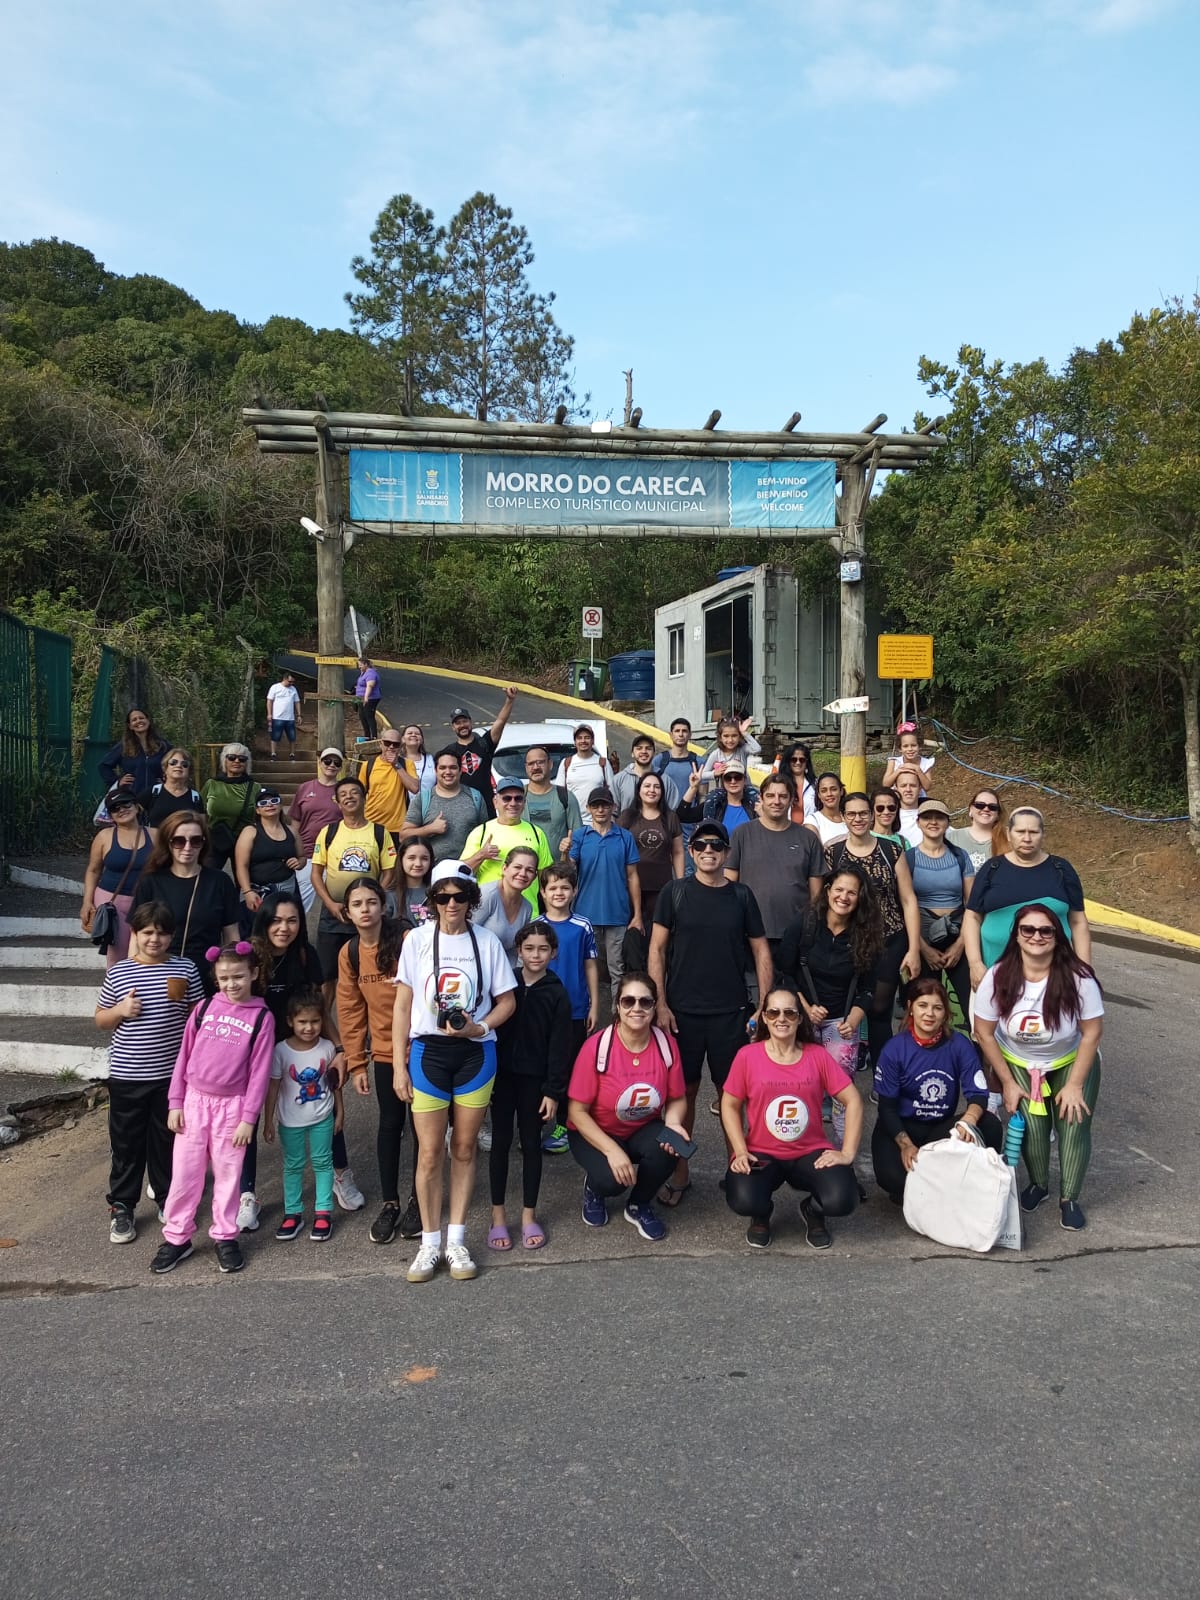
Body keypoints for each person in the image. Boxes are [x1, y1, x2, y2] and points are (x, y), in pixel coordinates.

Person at [392, 861, 518, 1282]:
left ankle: (456, 1239)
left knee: (463, 1148)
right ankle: (429, 1243)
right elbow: (402, 1005)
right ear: (431, 900)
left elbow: (507, 1001)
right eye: (442, 896)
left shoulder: (486, 941)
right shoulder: (415, 940)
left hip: (475, 1054)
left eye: (460, 896)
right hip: (428, 1052)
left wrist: (479, 1027)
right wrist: (398, 1066)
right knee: (429, 1152)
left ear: (471, 899)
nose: (451, 904)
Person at [649, 819, 773, 1204]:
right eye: (701, 845)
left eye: (716, 845)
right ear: (691, 851)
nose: (708, 851)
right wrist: (660, 1004)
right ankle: (680, 1173)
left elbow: (761, 950)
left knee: (730, 1095)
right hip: (682, 1012)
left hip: (731, 1011)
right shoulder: (674, 892)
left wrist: (764, 1006)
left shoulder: (742, 895)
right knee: (682, 1094)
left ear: (726, 852)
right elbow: (656, 950)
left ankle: (737, 1168)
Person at [973, 906, 1104, 1230]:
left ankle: (1069, 1198)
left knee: (1072, 1124)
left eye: (1046, 930)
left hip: (1070, 1060)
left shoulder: (1079, 978)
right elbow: (984, 1033)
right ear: (1016, 935)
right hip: (1019, 1062)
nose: (1036, 936)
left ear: (1058, 937)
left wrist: (1074, 1085)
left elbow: (1091, 1033)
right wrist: (1006, 1082)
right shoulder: (997, 976)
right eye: (1028, 930)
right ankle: (1039, 1184)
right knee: (1032, 1128)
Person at [151, 941, 273, 1275]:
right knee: (185, 1174)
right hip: (194, 1103)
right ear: (215, 977)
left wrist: (249, 1118)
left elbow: (260, 1072)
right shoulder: (203, 1008)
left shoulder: (262, 1017)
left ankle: (225, 1236)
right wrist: (175, 1102)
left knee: (228, 1176)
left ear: (254, 974)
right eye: (224, 977)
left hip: (232, 1108)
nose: (232, 984)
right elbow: (183, 1057)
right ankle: (177, 1237)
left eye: (238, 976)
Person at [94, 901, 205, 1244]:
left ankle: (168, 1198)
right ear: (135, 934)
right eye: (147, 932)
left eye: (161, 932)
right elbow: (100, 1019)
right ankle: (122, 1206)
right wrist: (120, 1010)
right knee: (126, 1145)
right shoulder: (120, 972)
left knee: (167, 1142)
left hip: (171, 1078)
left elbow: (198, 1017)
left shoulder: (186, 968)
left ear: (172, 935)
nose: (154, 939)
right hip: (127, 1076)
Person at [721, 983, 862, 1250]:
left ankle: (813, 1210)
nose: (781, 1019)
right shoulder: (748, 1056)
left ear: (799, 1018)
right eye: (773, 1013)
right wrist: (740, 1151)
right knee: (743, 1199)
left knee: (843, 1199)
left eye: (789, 1013)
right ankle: (761, 1212)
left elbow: (853, 1099)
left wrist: (847, 1153)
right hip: (762, 1154)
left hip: (810, 1153)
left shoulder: (817, 1055)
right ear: (764, 1017)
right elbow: (729, 1104)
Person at [249, 890, 363, 1214]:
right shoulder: (250, 957)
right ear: (264, 922)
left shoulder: (304, 954)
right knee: (248, 1118)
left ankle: (340, 1173)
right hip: (256, 1050)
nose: (284, 928)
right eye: (276, 921)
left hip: (300, 1043)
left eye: (292, 920)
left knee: (324, 1101)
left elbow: (319, 1009)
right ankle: (246, 1193)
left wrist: (339, 1048)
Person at [566, 972, 689, 1241]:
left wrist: (673, 1123)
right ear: (618, 1006)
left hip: (641, 1128)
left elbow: (677, 1097)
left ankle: (638, 1204)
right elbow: (576, 1112)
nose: (637, 1008)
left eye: (645, 1002)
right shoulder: (597, 1047)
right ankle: (594, 1188)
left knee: (672, 1144)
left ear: (654, 1007)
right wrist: (611, 1150)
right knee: (612, 1181)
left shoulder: (666, 1045)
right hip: (594, 1131)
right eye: (628, 1001)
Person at [335, 877, 421, 1246]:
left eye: (372, 902)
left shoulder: (406, 940)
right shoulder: (350, 952)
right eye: (357, 904)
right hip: (385, 1051)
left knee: (422, 1128)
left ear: (383, 906)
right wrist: (356, 1063)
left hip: (420, 1047)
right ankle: (390, 1203)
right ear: (347, 912)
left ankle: (419, 1200)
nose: (366, 909)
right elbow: (350, 1009)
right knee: (389, 1124)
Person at [871, 978, 1002, 1205]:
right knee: (893, 1179)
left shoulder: (959, 1044)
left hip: (939, 1128)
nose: (929, 1013)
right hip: (901, 1126)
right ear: (910, 1007)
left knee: (989, 1124)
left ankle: (958, 1184)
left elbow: (978, 1093)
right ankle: (932, 1184)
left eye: (937, 1008)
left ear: (945, 1013)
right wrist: (905, 1145)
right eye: (922, 1005)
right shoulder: (894, 1049)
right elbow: (886, 1108)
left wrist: (969, 1120)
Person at [822, 795, 922, 1073]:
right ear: (844, 816)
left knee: (879, 1009)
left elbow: (908, 900)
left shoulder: (891, 850)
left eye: (863, 813)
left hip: (889, 938)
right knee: (843, 1006)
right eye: (852, 814)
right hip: (848, 940)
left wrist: (914, 949)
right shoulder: (834, 853)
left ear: (871, 815)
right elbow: (825, 899)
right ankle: (839, 1074)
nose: (858, 819)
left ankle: (883, 1073)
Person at [488, 920, 572, 1251]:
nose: (536, 955)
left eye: (543, 949)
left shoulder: (557, 993)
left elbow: (560, 1048)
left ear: (554, 953)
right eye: (529, 948)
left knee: (531, 1144)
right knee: (500, 1143)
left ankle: (528, 1216)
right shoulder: (504, 987)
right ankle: (497, 1216)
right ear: (518, 951)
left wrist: (553, 1091)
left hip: (535, 1083)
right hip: (502, 1079)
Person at [777, 867, 881, 1096]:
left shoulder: (866, 934)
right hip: (802, 1016)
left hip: (842, 1020)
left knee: (841, 1091)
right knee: (800, 1087)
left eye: (852, 892)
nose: (844, 897)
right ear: (827, 891)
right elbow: (785, 974)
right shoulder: (805, 924)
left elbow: (867, 988)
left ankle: (841, 1122)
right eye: (839, 889)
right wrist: (806, 1008)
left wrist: (853, 1021)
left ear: (860, 898)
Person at [963, 806, 1091, 982]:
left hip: (1054, 977)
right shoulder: (992, 869)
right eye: (1020, 831)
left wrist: (1084, 970)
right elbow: (972, 917)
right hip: (994, 974)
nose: (1027, 838)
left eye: (1034, 832)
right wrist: (975, 964)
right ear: (1009, 834)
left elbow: (1078, 922)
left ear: (1043, 834)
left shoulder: (1061, 869)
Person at [262, 990, 343, 1241]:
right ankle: (293, 1213)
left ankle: (323, 1212)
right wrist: (268, 1120)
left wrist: (340, 1111)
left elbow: (335, 1083)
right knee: (293, 1165)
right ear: (290, 1021)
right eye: (302, 1022)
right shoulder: (280, 1051)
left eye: (315, 1021)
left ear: (323, 1020)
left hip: (322, 1117)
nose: (309, 1027)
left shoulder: (328, 1048)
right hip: (290, 1121)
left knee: (323, 1162)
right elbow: (273, 1086)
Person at [310, 776, 397, 999]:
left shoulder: (380, 832)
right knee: (326, 976)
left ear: (364, 798)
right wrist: (330, 904)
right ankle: (324, 1020)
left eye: (354, 792)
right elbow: (316, 874)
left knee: (370, 971)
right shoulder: (328, 832)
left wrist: (373, 899)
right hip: (333, 913)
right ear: (337, 802)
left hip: (366, 915)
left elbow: (390, 871)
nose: (349, 797)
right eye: (343, 794)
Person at [725, 773, 824, 959]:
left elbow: (816, 894)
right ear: (761, 799)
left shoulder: (808, 838)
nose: (776, 801)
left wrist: (811, 928)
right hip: (750, 932)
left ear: (792, 800)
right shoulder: (742, 834)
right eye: (770, 796)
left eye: (783, 796)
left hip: (795, 933)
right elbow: (729, 885)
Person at [131, 812, 240, 981]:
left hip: (208, 974)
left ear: (204, 843)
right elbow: (135, 935)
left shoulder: (220, 881)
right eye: (179, 841)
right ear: (168, 842)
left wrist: (232, 974)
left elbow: (231, 935)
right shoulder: (151, 882)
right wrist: (132, 977)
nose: (187, 847)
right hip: (158, 974)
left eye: (196, 841)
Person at [539, 861, 600, 1154]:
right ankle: (536, 1121)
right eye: (553, 887)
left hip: (575, 1009)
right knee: (542, 1065)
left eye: (565, 887)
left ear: (575, 891)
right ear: (543, 892)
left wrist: (594, 1005)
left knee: (570, 1066)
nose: (559, 893)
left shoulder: (583, 925)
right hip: (542, 1011)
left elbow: (590, 965)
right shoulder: (536, 926)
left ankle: (565, 1124)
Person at [568, 788, 641, 1001]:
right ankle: (585, 1012)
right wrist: (565, 852)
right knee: (585, 967)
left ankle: (618, 1014)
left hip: (617, 913)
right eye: (596, 805)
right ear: (588, 808)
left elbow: (633, 876)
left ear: (613, 807)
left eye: (605, 805)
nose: (600, 810)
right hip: (585, 914)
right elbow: (568, 871)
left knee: (617, 969)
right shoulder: (580, 835)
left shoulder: (625, 837)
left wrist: (637, 914)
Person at [909, 797, 976, 1023]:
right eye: (927, 817)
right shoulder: (909, 858)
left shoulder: (960, 856)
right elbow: (904, 905)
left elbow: (972, 904)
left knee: (971, 1003)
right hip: (922, 934)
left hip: (958, 931)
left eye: (939, 818)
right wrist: (923, 948)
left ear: (948, 823)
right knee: (923, 1004)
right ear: (918, 822)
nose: (933, 822)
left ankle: (975, 1045)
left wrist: (960, 945)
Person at [80, 788, 154, 966]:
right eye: (115, 808)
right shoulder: (104, 837)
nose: (121, 810)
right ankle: (116, 984)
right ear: (111, 815)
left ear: (136, 806)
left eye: (126, 804)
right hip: (112, 902)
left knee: (147, 954)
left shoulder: (155, 835)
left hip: (146, 901)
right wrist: (87, 902)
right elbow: (93, 870)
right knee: (117, 956)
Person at [463, 776, 553, 906]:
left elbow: (546, 878)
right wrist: (481, 855)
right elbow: (461, 872)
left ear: (524, 803)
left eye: (518, 798)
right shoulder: (480, 832)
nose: (513, 803)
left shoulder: (537, 833)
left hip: (528, 912)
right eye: (507, 798)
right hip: (488, 912)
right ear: (495, 802)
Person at [400, 748, 487, 863]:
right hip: (433, 870)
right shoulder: (422, 799)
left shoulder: (475, 797)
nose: (448, 772)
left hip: (469, 868)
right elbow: (403, 836)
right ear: (435, 771)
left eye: (453, 767)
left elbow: (486, 834)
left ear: (460, 771)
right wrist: (430, 829)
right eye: (442, 768)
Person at [619, 773, 684, 923]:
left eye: (657, 787)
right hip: (630, 885)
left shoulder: (670, 817)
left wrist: (680, 882)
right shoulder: (627, 816)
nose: (652, 790)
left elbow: (678, 852)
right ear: (639, 790)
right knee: (633, 930)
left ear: (662, 791)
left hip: (661, 886)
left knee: (659, 928)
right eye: (647, 786)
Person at [233, 789, 304, 921]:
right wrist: (247, 891)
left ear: (281, 805)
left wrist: (299, 862)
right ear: (257, 810)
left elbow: (302, 856)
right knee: (256, 929)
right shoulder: (250, 831)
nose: (269, 805)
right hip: (258, 893)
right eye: (263, 803)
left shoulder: (292, 831)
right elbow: (242, 865)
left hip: (287, 890)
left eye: (274, 801)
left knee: (286, 926)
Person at [449, 690, 518, 819]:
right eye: (458, 723)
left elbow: (501, 721)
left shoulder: (485, 743)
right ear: (453, 727)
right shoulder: (449, 752)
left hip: (487, 805)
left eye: (464, 721)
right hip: (462, 807)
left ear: (471, 722)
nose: (462, 725)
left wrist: (509, 700)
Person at [202, 743, 261, 871]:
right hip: (215, 839)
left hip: (244, 841)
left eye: (242, 758)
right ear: (224, 760)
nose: (237, 761)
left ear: (247, 763)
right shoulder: (212, 784)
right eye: (232, 757)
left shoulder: (255, 787)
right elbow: (200, 811)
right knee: (207, 876)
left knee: (244, 879)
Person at [475, 847, 537, 964]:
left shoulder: (527, 908)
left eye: (529, 870)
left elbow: (513, 951)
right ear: (504, 869)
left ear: (534, 877)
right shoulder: (487, 895)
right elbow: (464, 934)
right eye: (517, 867)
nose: (523, 874)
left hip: (501, 970)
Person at [360, 726, 419, 847]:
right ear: (381, 744)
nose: (391, 747)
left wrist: (396, 765)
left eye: (395, 744)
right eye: (387, 743)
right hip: (371, 823)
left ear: (400, 747)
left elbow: (414, 788)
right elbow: (360, 795)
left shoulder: (407, 764)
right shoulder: (368, 766)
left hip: (396, 826)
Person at [522, 745, 583, 855]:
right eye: (531, 764)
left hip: (558, 865)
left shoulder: (566, 796)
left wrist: (571, 859)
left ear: (550, 764)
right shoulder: (517, 798)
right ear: (526, 767)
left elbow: (578, 836)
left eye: (540, 762)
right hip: (525, 865)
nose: (535, 767)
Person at [288, 748, 346, 860]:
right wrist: (294, 849)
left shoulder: (344, 791)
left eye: (337, 763)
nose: (332, 765)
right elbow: (296, 821)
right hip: (307, 853)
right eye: (327, 761)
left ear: (341, 767)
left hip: (336, 852)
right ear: (319, 763)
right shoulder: (304, 788)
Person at [99, 708, 169, 795]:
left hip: (156, 795)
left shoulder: (162, 745)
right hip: (132, 796)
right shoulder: (123, 746)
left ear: (148, 721)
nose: (138, 721)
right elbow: (104, 766)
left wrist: (167, 781)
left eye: (141, 718)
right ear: (130, 726)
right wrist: (117, 781)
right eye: (134, 720)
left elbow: (175, 764)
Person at [555, 723, 613, 827]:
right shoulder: (566, 763)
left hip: (598, 822)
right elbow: (559, 794)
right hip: (572, 822)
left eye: (587, 737)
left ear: (593, 741)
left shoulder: (603, 763)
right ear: (575, 742)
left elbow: (612, 792)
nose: (583, 741)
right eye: (579, 738)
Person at [611, 733, 681, 816]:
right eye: (639, 748)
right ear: (632, 753)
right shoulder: (619, 780)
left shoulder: (665, 780)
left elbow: (672, 812)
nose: (644, 751)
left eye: (648, 748)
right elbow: (612, 813)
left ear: (654, 753)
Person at [135, 748, 203, 828]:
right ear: (165, 768)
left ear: (189, 771)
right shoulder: (153, 792)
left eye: (184, 764)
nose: (179, 766)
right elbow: (129, 814)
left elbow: (202, 827)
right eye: (173, 762)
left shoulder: (195, 798)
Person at [687, 759, 758, 834]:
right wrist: (693, 788)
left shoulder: (756, 804)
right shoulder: (714, 804)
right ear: (723, 781)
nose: (733, 781)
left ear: (745, 780)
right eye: (728, 778)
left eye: (738, 777)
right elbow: (684, 815)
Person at [948, 789, 1006, 873]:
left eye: (992, 807)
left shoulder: (1009, 839)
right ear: (970, 809)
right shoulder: (951, 838)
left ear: (998, 814)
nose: (986, 809)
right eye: (980, 805)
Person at [697, 716, 761, 789]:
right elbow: (703, 774)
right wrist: (715, 773)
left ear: (740, 736)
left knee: (757, 796)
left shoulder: (742, 749)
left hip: (745, 788)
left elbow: (757, 749)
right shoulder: (716, 754)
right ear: (720, 738)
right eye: (726, 736)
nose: (730, 740)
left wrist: (744, 733)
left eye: (734, 736)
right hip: (725, 790)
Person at [882, 721, 936, 791]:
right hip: (898, 796)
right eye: (905, 746)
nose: (910, 749)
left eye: (913, 745)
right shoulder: (894, 762)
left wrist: (918, 769)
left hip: (918, 796)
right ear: (900, 748)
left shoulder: (925, 763)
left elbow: (927, 787)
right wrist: (898, 771)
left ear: (919, 746)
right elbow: (885, 785)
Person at [774, 742, 818, 824]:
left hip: (810, 829)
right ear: (788, 761)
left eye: (802, 760)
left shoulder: (815, 784)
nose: (798, 763)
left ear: (807, 762)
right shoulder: (779, 782)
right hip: (783, 828)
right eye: (794, 759)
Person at [266, 671, 303, 761]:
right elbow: (269, 701)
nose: (291, 683)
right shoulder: (275, 687)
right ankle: (273, 754)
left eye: (293, 682)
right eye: (290, 681)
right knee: (275, 736)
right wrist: (269, 714)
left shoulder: (293, 689)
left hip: (290, 718)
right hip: (277, 717)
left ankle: (292, 754)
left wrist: (299, 715)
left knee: (292, 737)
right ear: (285, 679)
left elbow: (297, 702)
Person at [804, 772, 848, 848]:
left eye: (833, 789)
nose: (829, 794)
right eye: (824, 791)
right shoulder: (813, 820)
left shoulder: (851, 817)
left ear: (841, 791)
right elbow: (816, 852)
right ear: (819, 795)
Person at [397, 838, 434, 927]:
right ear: (401, 859)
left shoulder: (437, 892)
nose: (418, 864)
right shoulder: (389, 895)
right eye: (411, 858)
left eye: (424, 859)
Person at [892, 767, 925, 848]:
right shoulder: (889, 817)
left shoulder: (931, 815)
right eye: (903, 786)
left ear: (920, 788)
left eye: (913, 785)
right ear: (896, 788)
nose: (908, 789)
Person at [400, 724, 437, 791]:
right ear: (403, 739)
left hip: (430, 797)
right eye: (410, 733)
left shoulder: (431, 759)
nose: (413, 735)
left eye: (417, 734)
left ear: (422, 740)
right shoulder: (397, 761)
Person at [355, 656, 382, 741]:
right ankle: (367, 735)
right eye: (358, 665)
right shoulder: (363, 673)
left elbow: (370, 685)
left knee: (369, 716)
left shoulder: (371, 673)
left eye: (360, 665)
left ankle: (374, 736)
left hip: (371, 698)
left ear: (366, 664)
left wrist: (366, 697)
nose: (359, 667)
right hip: (361, 698)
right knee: (362, 716)